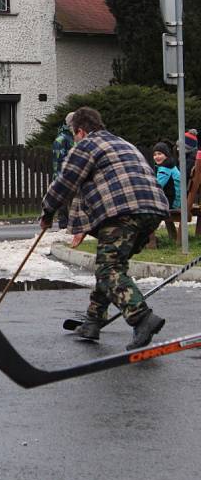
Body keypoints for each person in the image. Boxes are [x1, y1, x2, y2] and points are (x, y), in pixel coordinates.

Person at [39, 107, 170, 350]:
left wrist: (47, 212)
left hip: (122, 213)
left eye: (73, 134)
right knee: (111, 266)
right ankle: (93, 320)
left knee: (108, 267)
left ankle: (141, 317)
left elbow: (65, 182)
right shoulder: (122, 143)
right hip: (154, 210)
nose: (73, 138)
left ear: (80, 131)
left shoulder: (85, 146)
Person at [51, 111, 75, 229]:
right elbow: (60, 162)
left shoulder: (72, 137)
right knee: (64, 205)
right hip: (64, 177)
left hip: (72, 177)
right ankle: (64, 227)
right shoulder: (62, 139)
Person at [153, 142, 181, 210]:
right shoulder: (171, 165)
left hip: (173, 203)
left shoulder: (165, 168)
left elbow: (158, 186)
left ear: (166, 155)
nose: (157, 157)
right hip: (177, 200)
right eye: (154, 154)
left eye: (160, 154)